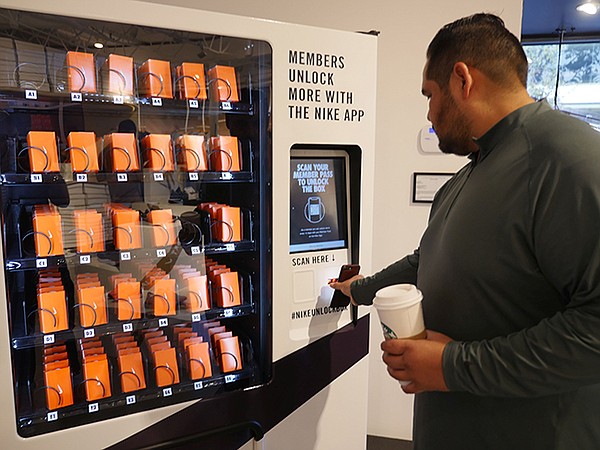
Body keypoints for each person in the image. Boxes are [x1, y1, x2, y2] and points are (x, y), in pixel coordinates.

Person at [330, 13, 600, 450]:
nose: (430, 114)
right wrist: (361, 290)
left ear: (462, 80)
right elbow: (427, 259)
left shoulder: (567, 159)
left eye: (430, 95)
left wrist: (454, 366)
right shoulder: (470, 174)